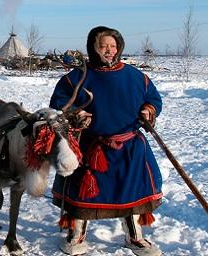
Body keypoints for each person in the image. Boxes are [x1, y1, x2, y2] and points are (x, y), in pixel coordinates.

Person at [49, 26, 163, 256]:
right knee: (82, 193)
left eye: (113, 46)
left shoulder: (135, 77)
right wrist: (76, 114)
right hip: (91, 146)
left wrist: (149, 110)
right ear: (94, 48)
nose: (109, 51)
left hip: (130, 146)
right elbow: (60, 100)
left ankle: (134, 237)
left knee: (131, 192)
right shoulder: (78, 77)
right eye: (104, 46)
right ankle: (76, 235)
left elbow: (153, 98)